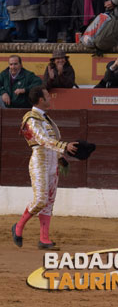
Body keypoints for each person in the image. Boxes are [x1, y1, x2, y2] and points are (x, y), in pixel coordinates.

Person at [11, 86, 79, 250]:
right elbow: (42, 140)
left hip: (52, 162)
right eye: (48, 96)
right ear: (41, 100)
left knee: (49, 201)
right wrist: (64, 147)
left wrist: (60, 158)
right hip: (40, 162)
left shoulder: (45, 118)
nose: (50, 99)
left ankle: (44, 239)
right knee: (41, 199)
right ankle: (19, 226)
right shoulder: (31, 119)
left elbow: (50, 141)